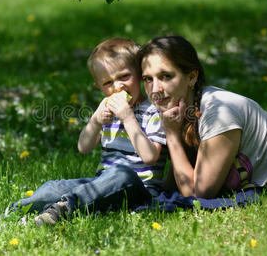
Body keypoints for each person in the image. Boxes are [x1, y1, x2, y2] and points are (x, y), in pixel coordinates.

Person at [139, 35, 267, 199]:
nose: (155, 89)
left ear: (192, 77)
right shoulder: (183, 112)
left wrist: (172, 137)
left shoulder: (218, 112)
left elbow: (197, 193)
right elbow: (175, 182)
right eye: (148, 79)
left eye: (166, 76)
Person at [9, 38, 167, 225]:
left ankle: (63, 209)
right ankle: (17, 210)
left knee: (122, 174)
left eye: (124, 76)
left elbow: (150, 157)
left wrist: (128, 118)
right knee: (55, 187)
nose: (118, 87)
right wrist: (95, 121)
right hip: (101, 185)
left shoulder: (154, 111)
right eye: (108, 82)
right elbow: (84, 147)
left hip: (139, 189)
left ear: (140, 74)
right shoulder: (107, 111)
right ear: (99, 87)